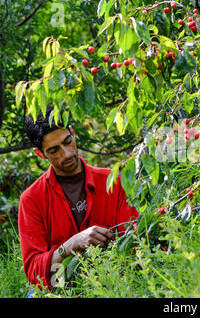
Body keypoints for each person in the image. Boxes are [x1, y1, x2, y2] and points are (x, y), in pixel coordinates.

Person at [19, 105, 138, 294]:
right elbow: (34, 271)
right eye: (54, 150)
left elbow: (134, 241)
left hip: (113, 278)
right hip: (62, 285)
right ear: (40, 154)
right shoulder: (31, 199)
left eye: (68, 142)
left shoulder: (114, 181)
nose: (66, 154)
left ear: (73, 133)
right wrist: (68, 246)